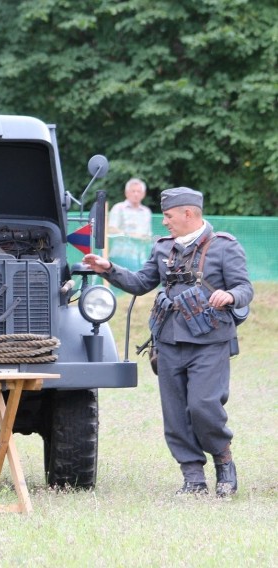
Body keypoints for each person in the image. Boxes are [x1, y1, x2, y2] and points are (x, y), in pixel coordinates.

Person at [82, 187, 253, 498]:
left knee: (203, 406)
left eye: (169, 216)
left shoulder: (225, 247)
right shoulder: (163, 249)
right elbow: (141, 283)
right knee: (175, 414)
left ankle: (224, 461)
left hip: (210, 340)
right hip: (169, 341)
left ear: (189, 214)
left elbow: (245, 288)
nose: (165, 222)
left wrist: (230, 295)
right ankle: (193, 479)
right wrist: (109, 270)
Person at [107, 177, 153, 270]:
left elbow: (148, 235)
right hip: (120, 256)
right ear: (126, 193)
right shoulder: (118, 208)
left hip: (140, 258)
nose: (136, 194)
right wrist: (130, 235)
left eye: (138, 191)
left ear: (143, 194)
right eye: (133, 191)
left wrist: (146, 238)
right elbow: (110, 229)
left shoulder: (146, 212)